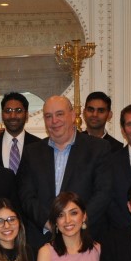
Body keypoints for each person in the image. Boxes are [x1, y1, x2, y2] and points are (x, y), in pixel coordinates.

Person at [18, 96, 112, 245]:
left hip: (84, 239)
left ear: (73, 115)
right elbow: (26, 196)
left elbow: (103, 192)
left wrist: (76, 223)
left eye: (60, 114)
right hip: (42, 240)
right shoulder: (32, 152)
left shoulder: (98, 148)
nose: (54, 121)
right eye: (48, 116)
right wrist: (49, 223)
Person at [0, 92, 41, 174]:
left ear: (26, 115)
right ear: (2, 115)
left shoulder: (39, 146)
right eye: (8, 110)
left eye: (18, 111)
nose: (13, 116)